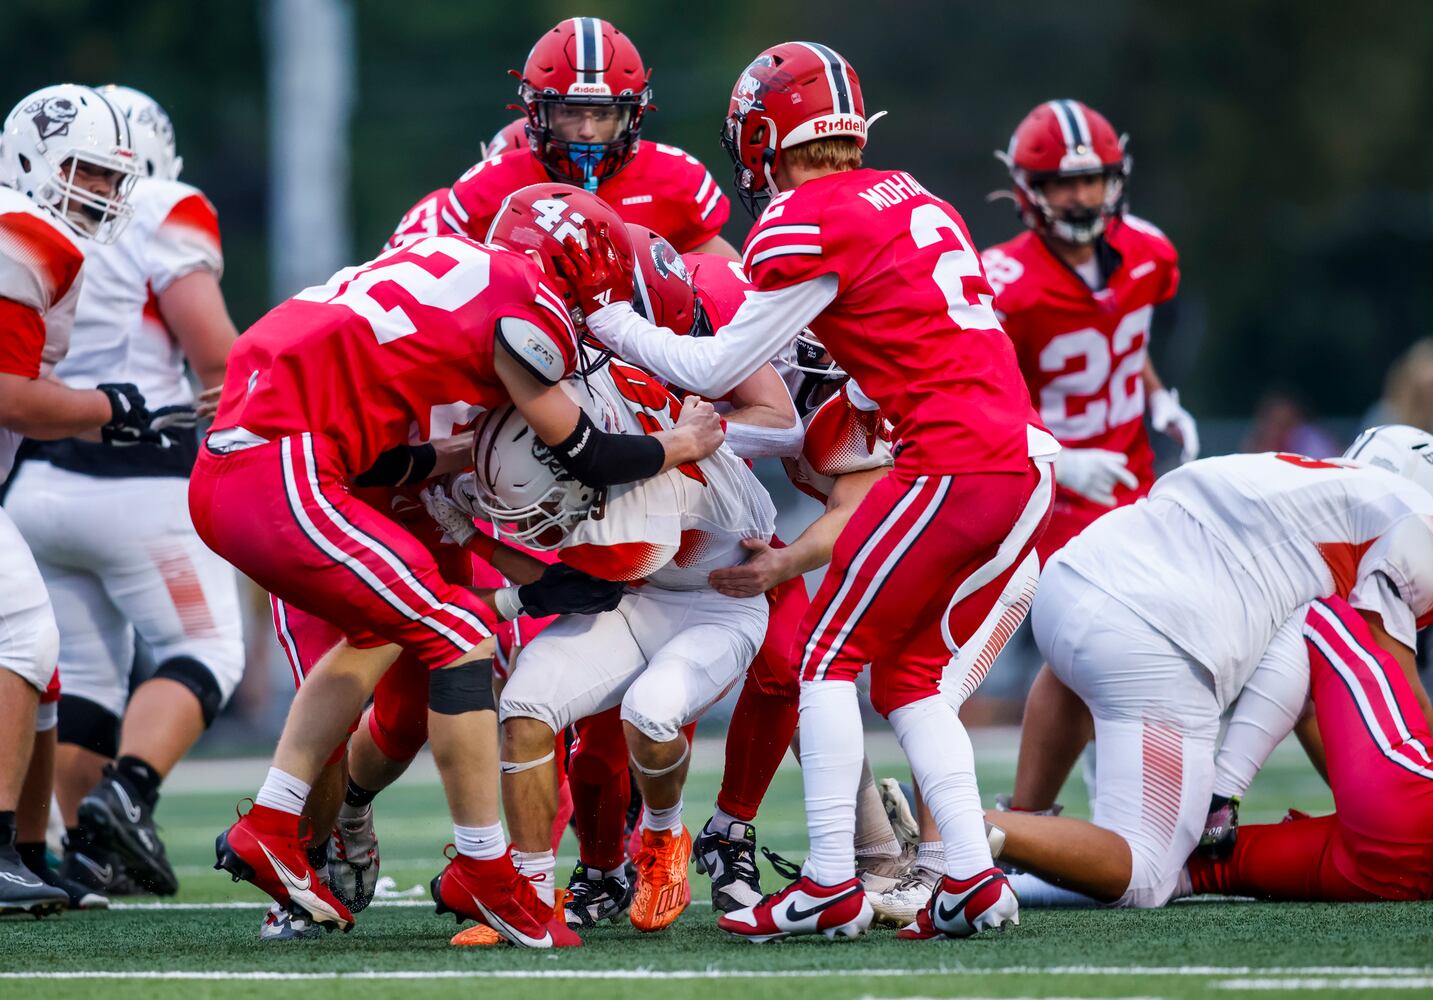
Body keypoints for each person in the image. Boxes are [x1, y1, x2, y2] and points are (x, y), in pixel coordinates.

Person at [561, 41, 1058, 941]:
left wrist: (609, 319)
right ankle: (973, 882)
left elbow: (718, 363)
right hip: (1012, 462)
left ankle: (831, 880)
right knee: (907, 678)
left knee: (827, 661)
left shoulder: (802, 219)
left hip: (950, 463)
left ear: (763, 133)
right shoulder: (912, 196)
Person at [192, 184, 723, 946]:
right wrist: (682, 444)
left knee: (383, 633)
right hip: (287, 470)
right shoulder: (527, 300)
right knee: (459, 641)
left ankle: (275, 824)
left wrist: (450, 470)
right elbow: (588, 452)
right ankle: (483, 865)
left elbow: (378, 459)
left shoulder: (441, 260)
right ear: (578, 263)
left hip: (255, 464)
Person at [987, 428, 1433, 910]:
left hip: (1071, 580)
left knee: (1074, 666)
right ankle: (953, 826)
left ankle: (1010, 839)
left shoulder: (1304, 487)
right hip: (1153, 633)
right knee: (1147, 873)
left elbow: (1305, 690)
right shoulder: (1413, 518)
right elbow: (1391, 698)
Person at [6, 85, 244, 899]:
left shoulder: (38, 220)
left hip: (35, 480)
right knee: (207, 648)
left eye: (112, 177)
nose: (108, 194)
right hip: (139, 474)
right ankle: (127, 793)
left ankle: (83, 851)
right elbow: (214, 359)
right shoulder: (166, 204)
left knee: (79, 673)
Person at [469, 357, 775, 936]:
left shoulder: (632, 508)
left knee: (650, 713)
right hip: (636, 600)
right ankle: (528, 896)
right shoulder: (596, 424)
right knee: (526, 705)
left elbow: (571, 578)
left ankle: (664, 835)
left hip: (717, 604)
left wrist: (481, 552)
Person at [0, 83, 152, 916]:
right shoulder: (20, 237)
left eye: (110, 178)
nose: (101, 194)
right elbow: (10, 396)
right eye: (86, 173)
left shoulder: (37, 241)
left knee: (41, 661)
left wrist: (121, 418)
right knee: (22, 628)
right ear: (32, 160)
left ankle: (26, 850)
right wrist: (109, 405)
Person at [388, 17, 736, 260]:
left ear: (632, 114)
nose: (587, 130)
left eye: (602, 115)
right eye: (570, 112)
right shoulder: (484, 190)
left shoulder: (674, 179)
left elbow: (727, 288)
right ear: (537, 112)